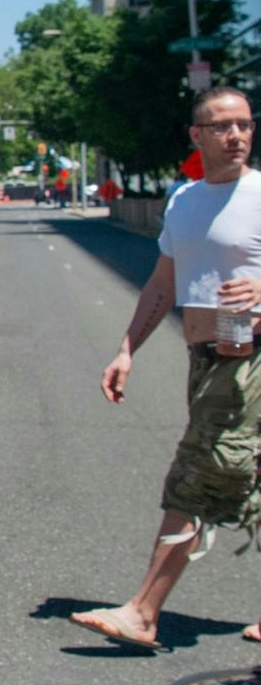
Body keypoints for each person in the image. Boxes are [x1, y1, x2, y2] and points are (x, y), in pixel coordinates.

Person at [73, 86, 261, 650]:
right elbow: (163, 285)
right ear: (196, 136)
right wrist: (128, 348)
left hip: (249, 364)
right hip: (205, 361)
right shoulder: (184, 200)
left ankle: (144, 611)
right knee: (250, 480)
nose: (236, 135)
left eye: (245, 125)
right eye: (222, 126)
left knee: (196, 477)